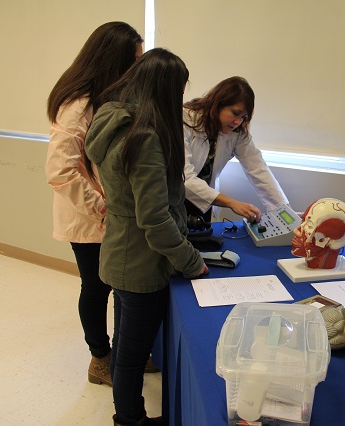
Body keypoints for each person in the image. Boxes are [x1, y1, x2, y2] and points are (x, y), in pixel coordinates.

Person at [84, 47, 208, 426]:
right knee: (131, 355)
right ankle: (130, 419)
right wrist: (192, 262)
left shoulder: (113, 121)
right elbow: (154, 219)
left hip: (120, 252)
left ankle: (128, 416)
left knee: (124, 346)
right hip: (140, 264)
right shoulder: (145, 138)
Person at [45, 21, 144, 387]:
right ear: (113, 60)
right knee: (96, 286)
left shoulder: (106, 97)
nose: (136, 68)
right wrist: (102, 208)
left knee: (118, 284)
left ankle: (123, 353)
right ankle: (100, 359)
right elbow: (59, 171)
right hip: (89, 215)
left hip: (108, 212)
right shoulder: (78, 105)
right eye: (133, 61)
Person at [183, 76, 289, 224]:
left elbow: (258, 169)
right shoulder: (185, 120)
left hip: (204, 202)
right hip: (176, 200)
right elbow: (184, 178)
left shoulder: (237, 134)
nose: (238, 122)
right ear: (218, 104)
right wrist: (231, 203)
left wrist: (284, 212)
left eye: (243, 117)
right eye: (235, 113)